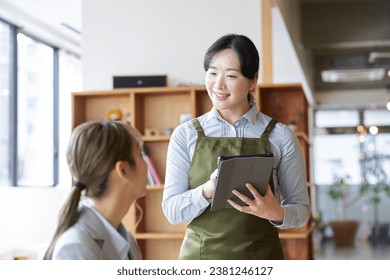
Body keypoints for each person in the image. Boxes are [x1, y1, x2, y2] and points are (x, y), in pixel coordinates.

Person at [162, 34, 311, 260]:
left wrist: (276, 212)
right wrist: (207, 191)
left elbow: (302, 211)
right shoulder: (186, 135)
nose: (218, 85)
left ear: (253, 80)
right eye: (212, 73)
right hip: (200, 260)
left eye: (231, 75)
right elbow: (172, 211)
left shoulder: (280, 136)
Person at [43, 120, 147, 260]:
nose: (146, 162)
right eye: (140, 153)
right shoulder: (75, 248)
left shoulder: (127, 241)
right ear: (123, 170)